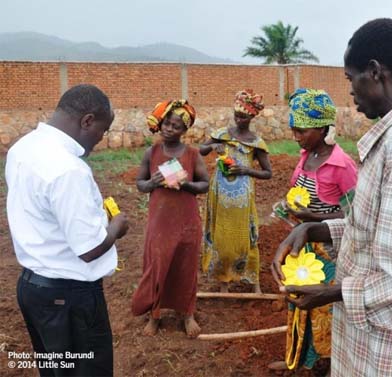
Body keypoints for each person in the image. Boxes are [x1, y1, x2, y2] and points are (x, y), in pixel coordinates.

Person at [271, 19, 392, 376]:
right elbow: (386, 232)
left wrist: (332, 293)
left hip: (383, 352)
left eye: (350, 79)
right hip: (370, 343)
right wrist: (316, 231)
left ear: (375, 72)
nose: (350, 92)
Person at [5, 84, 129, 377]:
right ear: (87, 120)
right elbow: (89, 249)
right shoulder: (68, 169)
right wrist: (115, 228)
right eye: (103, 129)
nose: (101, 138)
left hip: (33, 289)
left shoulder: (23, 147)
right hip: (69, 299)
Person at [268, 88, 357, 372]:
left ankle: (329, 365)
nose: (296, 137)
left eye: (301, 131)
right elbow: (299, 190)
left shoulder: (342, 165)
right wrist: (289, 206)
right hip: (304, 245)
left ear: (321, 128)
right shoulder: (306, 156)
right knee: (298, 301)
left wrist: (314, 216)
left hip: (331, 251)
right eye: (294, 130)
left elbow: (357, 214)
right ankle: (298, 357)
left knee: (324, 311)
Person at [131, 99, 209, 338]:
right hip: (160, 221)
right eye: (167, 124)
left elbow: (205, 184)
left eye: (176, 126)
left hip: (186, 221)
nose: (169, 129)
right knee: (157, 265)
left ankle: (187, 314)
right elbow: (140, 184)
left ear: (184, 131)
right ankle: (155, 315)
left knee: (185, 267)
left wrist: (185, 184)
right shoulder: (151, 152)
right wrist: (152, 182)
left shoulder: (193, 154)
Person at [200, 89, 272, 294]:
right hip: (220, 195)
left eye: (244, 117)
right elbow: (201, 150)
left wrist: (246, 170)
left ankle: (254, 283)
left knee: (247, 238)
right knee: (222, 238)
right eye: (237, 115)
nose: (239, 120)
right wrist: (214, 145)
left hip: (242, 199)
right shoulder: (222, 134)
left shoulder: (256, 143)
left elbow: (268, 173)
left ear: (251, 117)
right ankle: (224, 282)